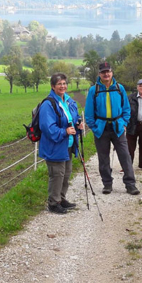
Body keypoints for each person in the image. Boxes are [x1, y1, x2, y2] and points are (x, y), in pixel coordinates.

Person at [84, 61, 140, 195]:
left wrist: (124, 123)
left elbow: (126, 108)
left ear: (112, 72)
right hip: (101, 128)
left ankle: (130, 184)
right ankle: (107, 184)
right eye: (103, 72)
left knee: (125, 156)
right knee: (103, 158)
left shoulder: (119, 88)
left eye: (108, 71)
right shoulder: (94, 90)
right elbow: (89, 112)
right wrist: (94, 127)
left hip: (117, 127)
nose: (106, 74)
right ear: (99, 74)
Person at [39, 73, 83, 214]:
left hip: (68, 145)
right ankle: (53, 203)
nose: (63, 86)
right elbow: (48, 128)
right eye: (59, 84)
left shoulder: (69, 101)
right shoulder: (48, 104)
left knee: (66, 173)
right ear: (53, 86)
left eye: (64, 83)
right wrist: (65, 132)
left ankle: (61, 199)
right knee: (57, 174)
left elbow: (73, 119)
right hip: (55, 146)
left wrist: (78, 124)